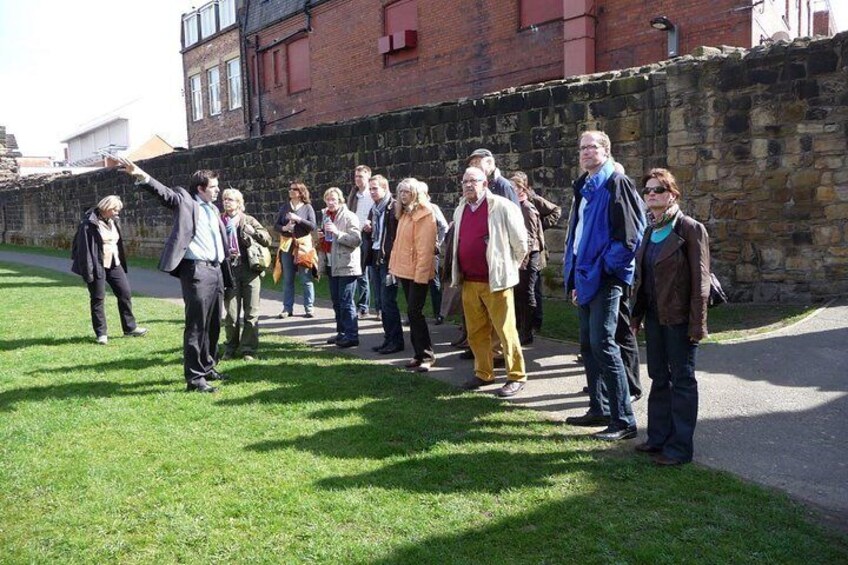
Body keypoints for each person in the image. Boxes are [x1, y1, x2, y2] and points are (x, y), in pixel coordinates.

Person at [118, 159, 232, 393]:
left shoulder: (213, 209)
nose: (218, 190)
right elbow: (166, 195)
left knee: (213, 323)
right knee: (196, 326)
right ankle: (196, 378)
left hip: (216, 270)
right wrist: (141, 175)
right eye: (213, 187)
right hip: (197, 270)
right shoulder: (186, 201)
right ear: (200, 188)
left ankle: (209, 366)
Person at [563, 130, 646, 440]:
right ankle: (599, 408)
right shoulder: (585, 186)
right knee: (588, 345)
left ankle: (624, 419)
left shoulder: (616, 183)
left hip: (605, 279)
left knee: (604, 344)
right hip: (585, 278)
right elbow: (578, 236)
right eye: (582, 147)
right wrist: (575, 278)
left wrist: (602, 270)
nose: (586, 152)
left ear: (606, 151)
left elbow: (629, 239)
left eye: (592, 147)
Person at [631, 168, 710, 466]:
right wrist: (636, 315)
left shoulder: (689, 229)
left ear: (672, 195)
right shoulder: (650, 230)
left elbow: (700, 282)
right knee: (658, 377)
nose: (651, 194)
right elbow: (645, 279)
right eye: (648, 190)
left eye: (659, 190)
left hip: (679, 319)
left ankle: (679, 448)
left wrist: (697, 324)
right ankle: (658, 437)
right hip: (654, 317)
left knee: (682, 380)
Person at [450, 167, 528, 397]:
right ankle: (483, 372)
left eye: (473, 181)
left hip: (496, 281)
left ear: (485, 183)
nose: (468, 185)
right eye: (464, 181)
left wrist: (508, 268)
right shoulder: (460, 209)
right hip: (469, 281)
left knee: (506, 331)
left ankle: (517, 376)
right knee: (476, 331)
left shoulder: (502, 206)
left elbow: (521, 242)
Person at [71, 195, 148, 345]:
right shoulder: (88, 224)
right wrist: (88, 271)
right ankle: (101, 334)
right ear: (105, 208)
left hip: (114, 263)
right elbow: (83, 250)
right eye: (114, 209)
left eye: (118, 210)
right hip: (97, 265)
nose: (117, 213)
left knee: (125, 293)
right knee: (98, 298)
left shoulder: (113, 221)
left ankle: (130, 328)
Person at [389, 178, 438, 372]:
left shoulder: (425, 214)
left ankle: (426, 355)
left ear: (415, 194)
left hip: (418, 272)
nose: (402, 195)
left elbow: (425, 249)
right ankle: (419, 354)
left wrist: (420, 275)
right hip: (405, 270)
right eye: (400, 191)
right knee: (412, 312)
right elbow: (399, 245)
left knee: (414, 312)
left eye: (407, 192)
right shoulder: (404, 214)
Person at [220, 188, 272, 361]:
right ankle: (230, 348)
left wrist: (253, 232)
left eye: (231, 200)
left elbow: (267, 239)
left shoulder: (248, 220)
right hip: (229, 270)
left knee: (251, 313)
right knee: (231, 314)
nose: (227, 202)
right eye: (225, 199)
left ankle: (248, 349)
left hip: (250, 269)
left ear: (239, 203)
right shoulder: (219, 220)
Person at [509, 171, 562, 332]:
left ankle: (534, 323)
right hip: (521, 249)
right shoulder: (512, 201)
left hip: (534, 250)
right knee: (525, 289)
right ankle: (525, 323)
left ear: (523, 187)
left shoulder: (532, 201)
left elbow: (556, 211)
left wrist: (541, 224)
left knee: (532, 289)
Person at [364, 174, 404, 354]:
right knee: (381, 302)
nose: (372, 192)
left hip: (389, 261)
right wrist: (368, 230)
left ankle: (396, 341)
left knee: (388, 302)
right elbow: (374, 236)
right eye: (370, 188)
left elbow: (398, 235)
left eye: (375, 188)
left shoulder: (394, 206)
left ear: (385, 188)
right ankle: (388, 339)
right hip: (376, 258)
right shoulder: (374, 209)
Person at [319, 187, 362, 348]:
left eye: (333, 200)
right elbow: (327, 240)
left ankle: (352, 336)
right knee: (336, 301)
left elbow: (356, 240)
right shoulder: (326, 216)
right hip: (332, 264)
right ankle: (341, 333)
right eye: (328, 200)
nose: (330, 203)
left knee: (346, 301)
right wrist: (322, 235)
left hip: (347, 265)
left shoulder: (350, 217)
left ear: (340, 200)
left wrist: (337, 232)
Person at [274, 181, 317, 318]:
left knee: (305, 277)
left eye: (294, 189)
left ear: (300, 192)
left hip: (303, 245)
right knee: (288, 278)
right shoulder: (285, 208)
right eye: (290, 189)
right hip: (287, 245)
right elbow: (276, 226)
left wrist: (298, 219)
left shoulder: (307, 207)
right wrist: (284, 228)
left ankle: (309, 308)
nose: (290, 191)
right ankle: (287, 308)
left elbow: (312, 226)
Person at [512, 179, 544, 345]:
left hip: (529, 257)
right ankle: (520, 329)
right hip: (519, 257)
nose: (511, 190)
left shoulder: (527, 207)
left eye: (514, 187)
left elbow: (531, 237)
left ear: (522, 189)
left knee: (527, 294)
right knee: (518, 294)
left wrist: (521, 259)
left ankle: (527, 331)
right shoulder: (516, 207)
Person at [418, 182, 448, 324]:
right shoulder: (413, 209)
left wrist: (438, 243)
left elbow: (444, 227)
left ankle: (439, 313)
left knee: (433, 282)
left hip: (430, 251)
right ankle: (418, 313)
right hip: (417, 251)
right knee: (417, 282)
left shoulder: (433, 208)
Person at [346, 165, 374, 319]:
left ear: (368, 177)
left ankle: (371, 307)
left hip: (369, 235)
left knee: (367, 272)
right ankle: (363, 306)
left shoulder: (372, 194)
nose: (357, 179)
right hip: (355, 234)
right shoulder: (354, 194)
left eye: (361, 176)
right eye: (356, 176)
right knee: (359, 272)